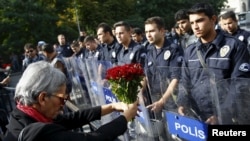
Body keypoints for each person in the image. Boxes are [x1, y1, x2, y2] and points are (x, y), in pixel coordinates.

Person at [3, 61, 139, 141]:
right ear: (43, 98)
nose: (63, 106)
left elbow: (69, 119)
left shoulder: (22, 113)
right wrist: (125, 117)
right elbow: (94, 139)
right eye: (63, 99)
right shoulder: (39, 133)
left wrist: (112, 106)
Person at [176, 2, 250, 125]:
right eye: (192, 22)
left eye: (199, 21)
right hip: (198, 118)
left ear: (213, 19)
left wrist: (222, 115)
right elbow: (185, 80)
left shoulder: (235, 47)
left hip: (228, 119)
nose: (195, 26)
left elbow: (239, 86)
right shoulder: (190, 51)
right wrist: (182, 103)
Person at [142, 16, 183, 141]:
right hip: (155, 101)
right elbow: (146, 75)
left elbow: (176, 79)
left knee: (176, 137)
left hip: (172, 103)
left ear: (162, 31)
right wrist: (139, 92)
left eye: (152, 31)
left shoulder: (174, 49)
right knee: (162, 135)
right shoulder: (149, 50)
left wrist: (162, 101)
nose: (148, 35)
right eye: (147, 32)